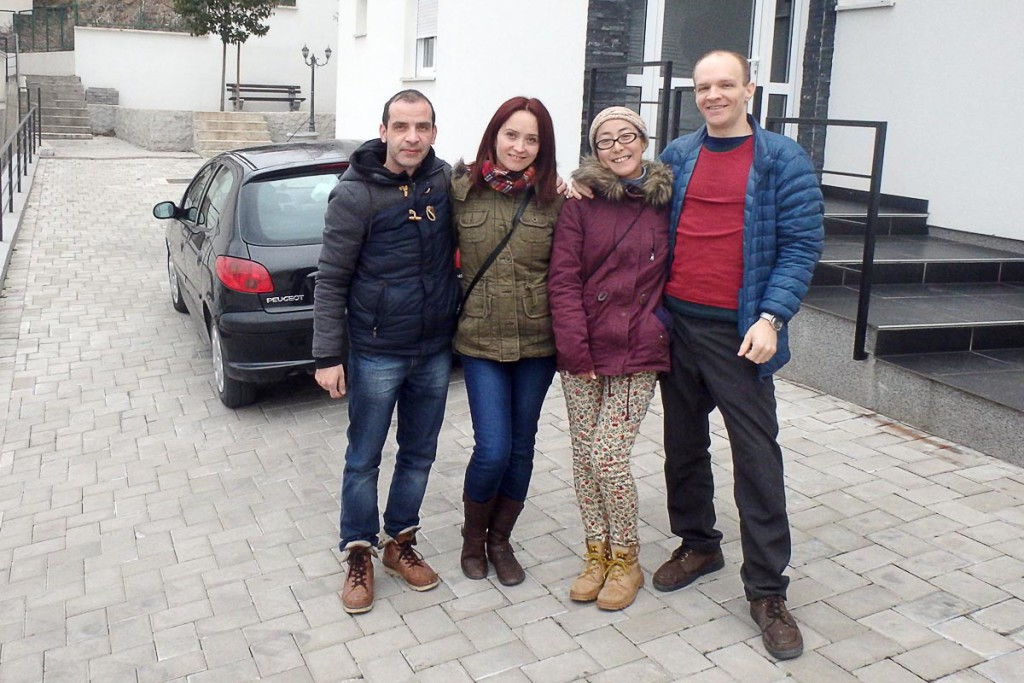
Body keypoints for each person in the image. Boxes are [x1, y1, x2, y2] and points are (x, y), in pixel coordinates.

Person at [654, 50, 823, 659]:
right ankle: (698, 544)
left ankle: (767, 591)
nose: (714, 94)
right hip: (678, 326)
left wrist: (773, 316)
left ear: (750, 88)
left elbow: (802, 244)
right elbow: (638, 209)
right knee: (683, 447)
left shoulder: (781, 159)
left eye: (726, 84)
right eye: (704, 86)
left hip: (743, 334)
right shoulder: (678, 154)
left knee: (756, 458)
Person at [312, 89, 461, 614]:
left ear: (434, 133)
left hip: (434, 349)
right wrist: (328, 355)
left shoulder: (444, 183)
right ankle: (358, 551)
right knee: (364, 458)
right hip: (376, 351)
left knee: (419, 455)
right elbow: (330, 280)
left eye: (422, 127)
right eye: (402, 126)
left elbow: (501, 188)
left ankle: (400, 542)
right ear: (384, 131)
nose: (412, 137)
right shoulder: (354, 194)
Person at [548, 107, 672, 611]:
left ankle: (628, 557)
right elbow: (564, 279)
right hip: (584, 348)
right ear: (595, 150)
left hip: (640, 346)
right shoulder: (580, 202)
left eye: (627, 137)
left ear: (644, 141)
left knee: (608, 455)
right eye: (606, 141)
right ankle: (595, 552)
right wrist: (576, 351)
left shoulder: (667, 198)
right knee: (583, 457)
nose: (618, 147)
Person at [452, 96, 564, 586]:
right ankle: (473, 539)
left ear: (543, 147)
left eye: (531, 139)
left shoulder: (556, 197)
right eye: (511, 135)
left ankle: (501, 541)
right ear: (494, 136)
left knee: (522, 448)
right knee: (492, 448)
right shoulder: (460, 191)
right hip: (479, 340)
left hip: (538, 342)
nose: (519, 147)